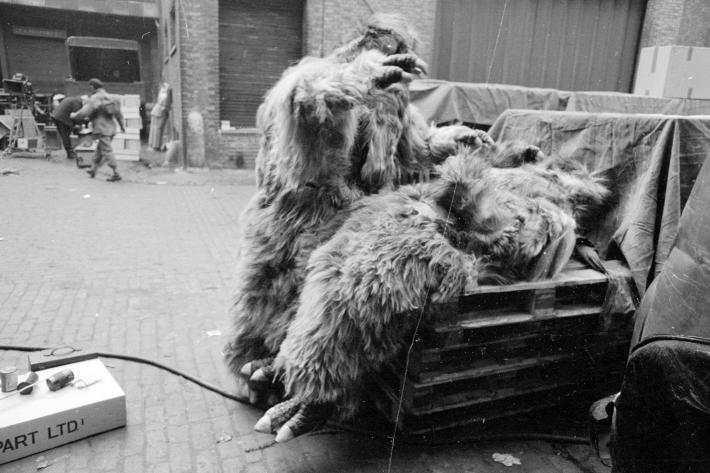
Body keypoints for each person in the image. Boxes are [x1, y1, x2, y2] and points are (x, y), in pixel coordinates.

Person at [70, 78, 125, 182]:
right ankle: (93, 169)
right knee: (100, 150)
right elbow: (118, 114)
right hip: (111, 128)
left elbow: (85, 112)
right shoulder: (112, 97)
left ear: (92, 86)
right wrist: (122, 126)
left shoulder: (95, 98)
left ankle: (116, 173)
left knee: (107, 151)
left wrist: (74, 115)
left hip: (101, 128)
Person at [50, 94, 90, 168]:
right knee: (65, 135)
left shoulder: (75, 100)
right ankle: (70, 153)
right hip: (61, 118)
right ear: (84, 101)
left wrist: (78, 124)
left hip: (58, 116)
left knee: (65, 134)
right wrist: (80, 124)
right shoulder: (77, 102)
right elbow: (76, 116)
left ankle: (70, 151)